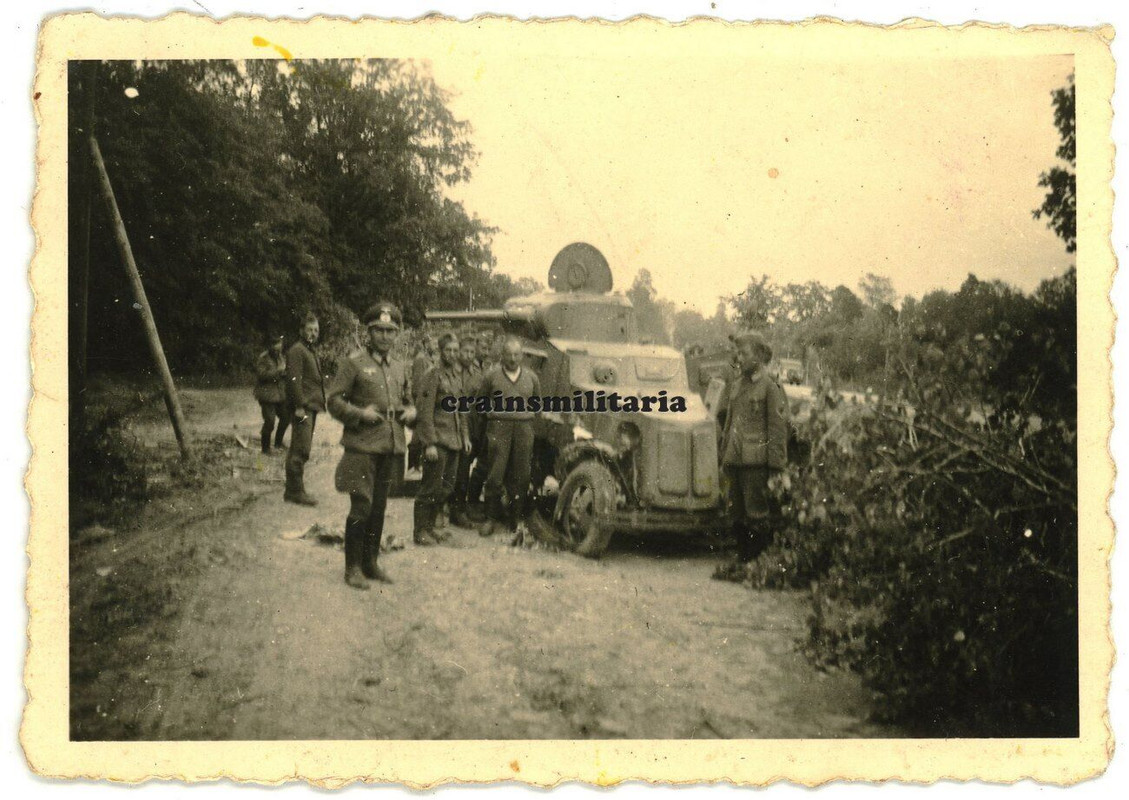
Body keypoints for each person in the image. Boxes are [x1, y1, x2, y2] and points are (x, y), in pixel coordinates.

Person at [327, 302, 416, 590]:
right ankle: (352, 567)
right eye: (380, 331)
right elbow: (334, 401)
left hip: (391, 446)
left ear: (397, 335)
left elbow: (407, 400)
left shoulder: (400, 367)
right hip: (363, 446)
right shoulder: (354, 363)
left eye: (391, 332)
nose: (385, 337)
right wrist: (359, 414)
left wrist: (412, 411)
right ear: (369, 332)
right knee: (361, 506)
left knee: (379, 507)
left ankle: (371, 563)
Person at [714, 330, 788, 576]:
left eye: (744, 353)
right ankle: (743, 559)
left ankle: (756, 564)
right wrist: (723, 456)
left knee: (757, 513)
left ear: (758, 355)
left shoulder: (770, 387)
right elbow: (729, 423)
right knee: (736, 512)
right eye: (737, 353)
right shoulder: (736, 385)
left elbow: (778, 429)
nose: (739, 358)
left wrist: (776, 468)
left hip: (756, 463)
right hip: (735, 460)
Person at [478, 337, 540, 538]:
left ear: (521, 356)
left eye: (516, 354)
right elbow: (481, 402)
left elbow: (537, 404)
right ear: (502, 355)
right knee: (495, 473)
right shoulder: (492, 376)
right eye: (509, 354)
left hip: (523, 429)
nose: (512, 359)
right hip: (499, 428)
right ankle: (490, 518)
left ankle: (515, 518)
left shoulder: (531, 378)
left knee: (521, 475)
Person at [412, 333, 471, 545]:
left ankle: (431, 527)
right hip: (437, 441)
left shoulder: (456, 376)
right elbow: (424, 411)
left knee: (446, 488)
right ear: (441, 351)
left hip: (453, 441)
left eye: (456, 350)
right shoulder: (432, 375)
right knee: (430, 487)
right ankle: (420, 531)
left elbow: (461, 409)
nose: (453, 355)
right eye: (449, 351)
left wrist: (465, 436)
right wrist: (428, 443)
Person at [284, 314, 326, 506]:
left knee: (300, 447)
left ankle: (292, 490)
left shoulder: (309, 351)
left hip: (311, 406)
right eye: (309, 329)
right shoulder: (297, 351)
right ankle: (295, 491)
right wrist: (299, 406)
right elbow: (294, 380)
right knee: (301, 449)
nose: (313, 334)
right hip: (304, 407)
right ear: (301, 330)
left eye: (316, 330)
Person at [449, 333, 482, 528]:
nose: (468, 355)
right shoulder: (451, 371)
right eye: (465, 351)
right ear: (458, 352)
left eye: (472, 352)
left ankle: (459, 508)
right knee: (455, 471)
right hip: (453, 426)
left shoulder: (477, 374)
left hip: (472, 426)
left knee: (463, 470)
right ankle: (453, 510)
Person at [254, 333, 289, 454]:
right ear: (270, 346)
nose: (277, 347)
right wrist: (278, 372)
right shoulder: (263, 358)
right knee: (270, 421)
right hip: (267, 395)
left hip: (279, 395)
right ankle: (265, 448)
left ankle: (278, 443)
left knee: (286, 417)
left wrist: (285, 373)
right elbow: (261, 375)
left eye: (279, 344)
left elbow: (283, 372)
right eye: (275, 344)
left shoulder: (280, 357)